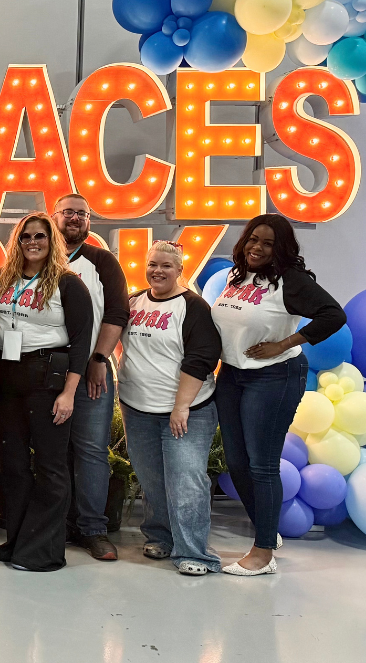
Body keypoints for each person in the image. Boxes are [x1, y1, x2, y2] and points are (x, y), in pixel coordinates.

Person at [211, 214, 346, 576]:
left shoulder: (291, 281)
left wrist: (284, 344)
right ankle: (265, 529)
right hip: (232, 374)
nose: (257, 247)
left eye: (268, 243)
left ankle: (263, 553)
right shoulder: (236, 276)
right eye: (253, 239)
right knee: (237, 462)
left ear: (281, 248)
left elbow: (334, 315)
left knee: (262, 464)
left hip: (273, 377)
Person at [0, 212, 92, 572]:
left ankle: (44, 551)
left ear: (52, 241)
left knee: (51, 467)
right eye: (26, 236)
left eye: (41, 236)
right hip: (8, 378)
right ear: (17, 241)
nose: (33, 242)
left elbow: (81, 343)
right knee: (14, 465)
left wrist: (69, 393)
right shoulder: (1, 279)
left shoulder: (68, 283)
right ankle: (17, 541)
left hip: (49, 379)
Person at [119, 242, 223, 575]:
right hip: (138, 409)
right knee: (152, 479)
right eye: (152, 265)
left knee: (187, 480)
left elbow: (202, 359)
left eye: (166, 266)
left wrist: (181, 406)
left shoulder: (193, 307)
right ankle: (161, 537)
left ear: (180, 269)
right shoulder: (134, 301)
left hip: (186, 410)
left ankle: (195, 552)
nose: (158, 271)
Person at [52, 194, 130, 561]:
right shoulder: (34, 260)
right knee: (53, 451)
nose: (75, 218)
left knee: (91, 451)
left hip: (90, 371)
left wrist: (99, 357)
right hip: (45, 372)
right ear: (54, 217)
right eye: (68, 212)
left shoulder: (101, 261)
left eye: (82, 214)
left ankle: (93, 528)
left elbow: (117, 312)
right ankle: (59, 524)